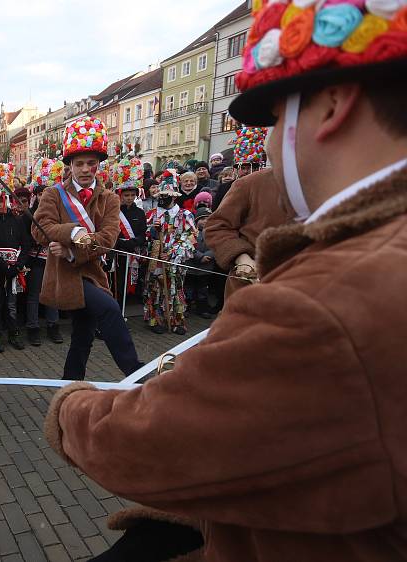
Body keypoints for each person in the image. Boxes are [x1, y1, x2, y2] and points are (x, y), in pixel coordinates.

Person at [44, 7, 407, 561]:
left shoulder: (321, 301)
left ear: (334, 104)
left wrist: (71, 408)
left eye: (277, 118)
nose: (265, 144)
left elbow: (158, 444)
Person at [33, 116, 144, 381]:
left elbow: (108, 239)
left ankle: (70, 383)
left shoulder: (109, 199)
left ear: (98, 165)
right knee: (109, 309)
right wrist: (72, 231)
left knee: (83, 335)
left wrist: (72, 248)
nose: (85, 169)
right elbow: (39, 229)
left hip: (93, 272)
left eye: (91, 163)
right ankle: (135, 371)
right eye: (79, 163)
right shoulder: (52, 194)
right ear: (69, 165)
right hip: (64, 274)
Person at [204, 167, 292, 301]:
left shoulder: (332, 187)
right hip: (252, 290)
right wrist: (241, 257)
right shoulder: (251, 183)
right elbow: (217, 226)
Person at [0, 164, 31, 352]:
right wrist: (4, 267)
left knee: (11, 305)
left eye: (0, 201)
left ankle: (14, 333)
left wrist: (18, 266)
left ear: (7, 200)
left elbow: (26, 245)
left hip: (14, 271)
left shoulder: (17, 220)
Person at [143, 169, 196, 335]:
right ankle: (155, 319)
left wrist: (173, 252)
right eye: (160, 195)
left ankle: (176, 320)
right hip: (156, 259)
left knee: (174, 287)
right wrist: (152, 234)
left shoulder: (184, 215)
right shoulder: (152, 215)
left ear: (173, 196)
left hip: (174, 261)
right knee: (155, 288)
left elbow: (191, 237)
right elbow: (145, 237)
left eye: (165, 195)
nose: (161, 198)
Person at [23, 158, 63, 346]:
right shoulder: (29, 214)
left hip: (54, 258)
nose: (43, 197)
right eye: (40, 193)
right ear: (36, 194)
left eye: (47, 193)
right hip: (36, 258)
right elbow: (27, 237)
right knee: (34, 294)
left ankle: (53, 325)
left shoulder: (60, 211)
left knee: (53, 294)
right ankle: (32, 327)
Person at [111, 158, 147, 309]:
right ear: (121, 195)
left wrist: (134, 242)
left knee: (128, 284)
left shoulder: (139, 212)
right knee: (117, 284)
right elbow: (111, 230)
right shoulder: (114, 211)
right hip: (118, 253)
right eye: (127, 195)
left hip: (132, 252)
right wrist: (120, 242)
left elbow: (142, 233)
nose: (130, 198)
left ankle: (124, 309)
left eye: (132, 195)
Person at [184, 207, 216, 319]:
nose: (205, 221)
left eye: (208, 218)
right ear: (196, 220)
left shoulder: (213, 233)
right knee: (188, 288)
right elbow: (189, 246)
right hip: (191, 266)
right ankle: (185, 307)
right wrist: (199, 257)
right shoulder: (191, 232)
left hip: (206, 267)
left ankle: (202, 308)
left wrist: (208, 256)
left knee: (203, 289)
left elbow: (216, 247)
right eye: (202, 218)